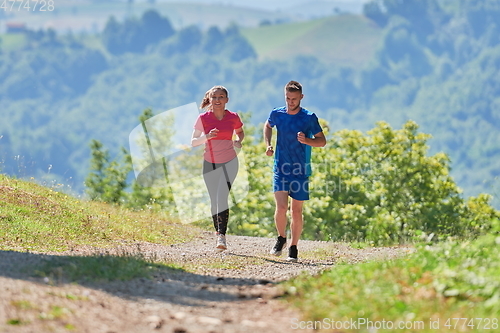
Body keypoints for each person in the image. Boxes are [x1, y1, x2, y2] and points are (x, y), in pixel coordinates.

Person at [263, 80, 326, 262]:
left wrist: (307, 140)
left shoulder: (308, 117)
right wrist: (268, 145)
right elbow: (268, 126)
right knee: (281, 208)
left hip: (300, 170)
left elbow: (322, 141)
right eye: (288, 98)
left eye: (294, 99)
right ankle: (281, 238)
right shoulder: (277, 113)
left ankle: (293, 247)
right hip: (281, 167)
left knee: (296, 211)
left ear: (301, 98)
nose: (290, 102)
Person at [191, 86, 244, 252]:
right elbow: (193, 141)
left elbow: (240, 132)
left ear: (227, 100)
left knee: (222, 197)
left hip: (230, 162)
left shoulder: (233, 117)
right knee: (214, 201)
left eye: (221, 97)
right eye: (214, 97)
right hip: (210, 163)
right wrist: (207, 136)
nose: (218, 100)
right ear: (210, 99)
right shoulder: (203, 118)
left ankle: (222, 235)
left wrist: (238, 140)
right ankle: (218, 232)